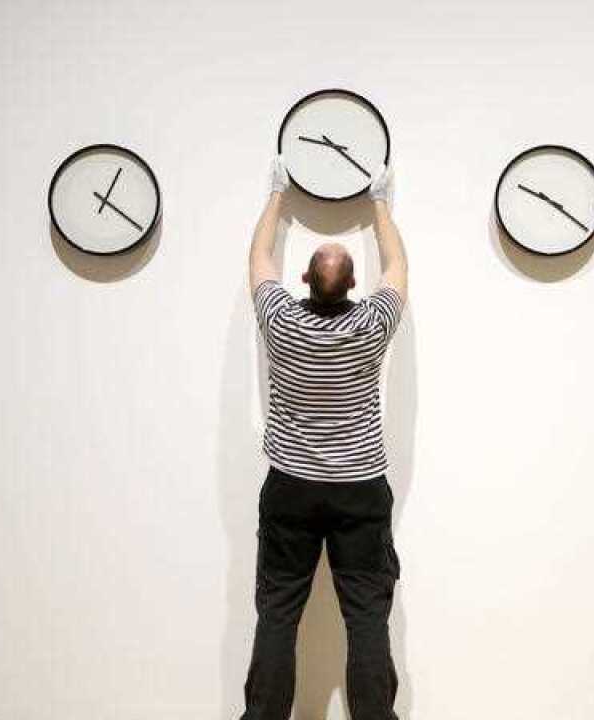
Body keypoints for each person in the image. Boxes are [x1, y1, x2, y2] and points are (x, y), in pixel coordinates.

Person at [240, 155, 409, 720]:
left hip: (291, 488)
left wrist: (277, 195)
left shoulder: (281, 320)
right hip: (360, 490)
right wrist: (379, 203)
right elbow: (398, 266)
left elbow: (259, 258)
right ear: (355, 285)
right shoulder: (371, 324)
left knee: (278, 612)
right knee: (366, 617)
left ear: (304, 281)